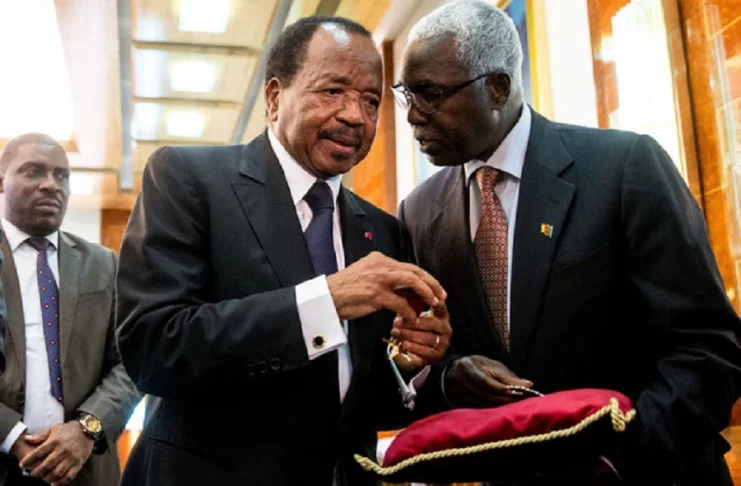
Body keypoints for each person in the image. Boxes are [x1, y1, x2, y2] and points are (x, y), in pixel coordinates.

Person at [392, 1, 741, 485]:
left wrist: (619, 458)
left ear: (498, 88)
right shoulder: (418, 213)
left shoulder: (623, 167)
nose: (413, 116)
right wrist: (451, 375)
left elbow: (708, 346)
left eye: (430, 95)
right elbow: (426, 358)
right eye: (406, 95)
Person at [115, 16, 452, 486]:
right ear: (274, 98)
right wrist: (326, 300)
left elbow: (354, 402)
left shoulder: (382, 230)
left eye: (370, 100)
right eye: (333, 91)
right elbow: (155, 349)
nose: (355, 116)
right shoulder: (188, 179)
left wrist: (408, 364)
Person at [0, 133, 142, 486]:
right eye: (33, 171)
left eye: (62, 175)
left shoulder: (103, 264)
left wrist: (87, 428)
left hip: (85, 470)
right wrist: (11, 435)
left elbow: (133, 360)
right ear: (2, 181)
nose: (51, 185)